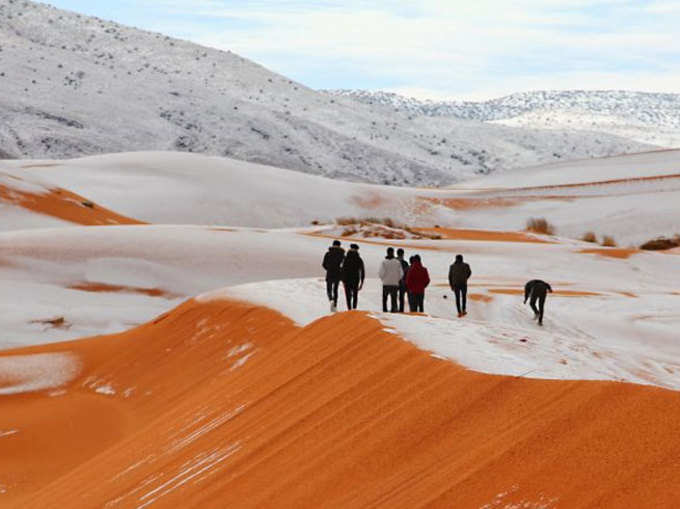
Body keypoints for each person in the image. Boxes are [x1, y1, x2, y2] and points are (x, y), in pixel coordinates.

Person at [378, 247, 403, 313]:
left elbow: (381, 273)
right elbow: (401, 274)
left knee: (385, 299)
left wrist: (384, 279)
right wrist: (397, 279)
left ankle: (385, 310)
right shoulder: (397, 262)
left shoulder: (384, 262)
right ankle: (393, 310)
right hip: (394, 284)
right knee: (394, 299)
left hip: (386, 283)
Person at [322, 240, 345, 312]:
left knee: (329, 288)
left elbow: (323, 264)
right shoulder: (342, 255)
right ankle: (335, 305)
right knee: (335, 290)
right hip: (338, 273)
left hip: (330, 273)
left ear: (333, 245)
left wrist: (328, 269)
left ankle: (331, 299)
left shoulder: (328, 254)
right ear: (339, 246)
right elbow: (344, 266)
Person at [341, 243, 365, 310]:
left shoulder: (346, 259)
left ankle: (349, 308)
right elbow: (362, 271)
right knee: (355, 295)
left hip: (347, 279)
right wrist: (362, 282)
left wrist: (342, 279)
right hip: (355, 279)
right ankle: (354, 309)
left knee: (348, 295)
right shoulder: (359, 259)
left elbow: (342, 269)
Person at [396, 248, 409, 312]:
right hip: (402, 283)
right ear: (403, 254)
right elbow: (407, 274)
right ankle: (401, 310)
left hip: (394, 282)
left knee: (394, 297)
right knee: (401, 297)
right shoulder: (405, 263)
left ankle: (394, 308)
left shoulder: (393, 262)